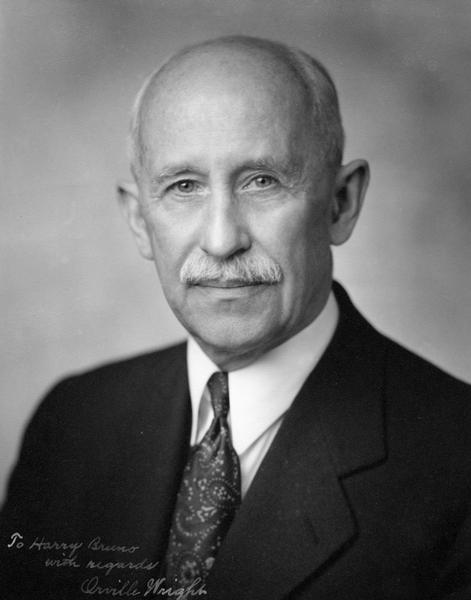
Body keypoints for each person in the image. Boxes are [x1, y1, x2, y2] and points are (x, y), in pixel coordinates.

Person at [1, 35, 470, 600]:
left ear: (341, 203)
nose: (222, 241)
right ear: (138, 221)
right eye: (183, 186)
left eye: (262, 181)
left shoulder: (456, 459)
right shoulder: (71, 423)